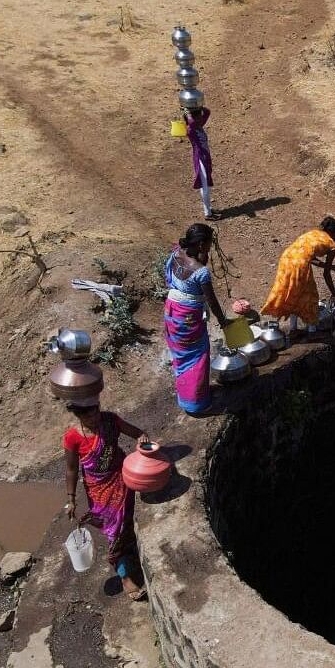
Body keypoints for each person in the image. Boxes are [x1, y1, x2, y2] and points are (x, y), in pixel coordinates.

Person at [62, 396, 151, 601]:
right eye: (87, 415)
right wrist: (71, 499)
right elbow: (71, 470)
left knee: (127, 520)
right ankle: (125, 577)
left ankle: (131, 550)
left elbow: (138, 433)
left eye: (95, 412)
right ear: (78, 415)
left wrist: (142, 440)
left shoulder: (110, 421)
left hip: (122, 477)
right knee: (113, 531)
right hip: (99, 491)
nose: (94, 418)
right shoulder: (72, 438)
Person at [164, 224, 229, 414]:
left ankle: (185, 394)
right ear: (201, 244)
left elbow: (171, 277)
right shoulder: (201, 272)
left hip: (172, 313)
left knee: (181, 355)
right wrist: (223, 321)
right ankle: (197, 404)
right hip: (188, 319)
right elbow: (212, 300)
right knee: (197, 357)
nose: (210, 248)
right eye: (209, 244)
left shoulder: (177, 253)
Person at [260, 216, 335, 337]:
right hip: (299, 266)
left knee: (295, 294)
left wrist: (332, 267)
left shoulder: (313, 234)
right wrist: (334, 293)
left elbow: (310, 258)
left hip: (286, 260)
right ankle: (312, 332)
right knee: (310, 297)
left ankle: (293, 329)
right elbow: (326, 275)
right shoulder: (331, 244)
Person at [184, 106, 217, 220]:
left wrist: (199, 106)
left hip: (205, 157)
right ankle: (208, 213)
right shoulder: (191, 129)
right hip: (200, 158)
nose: (201, 119)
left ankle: (208, 209)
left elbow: (208, 112)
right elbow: (192, 122)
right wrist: (188, 112)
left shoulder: (198, 127)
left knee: (206, 184)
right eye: (198, 117)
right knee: (205, 185)